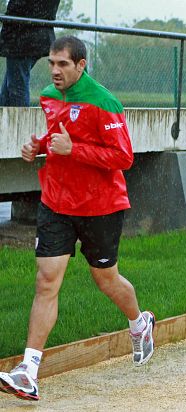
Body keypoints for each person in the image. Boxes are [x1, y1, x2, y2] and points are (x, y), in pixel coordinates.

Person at [0, 36, 153, 402]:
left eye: (63, 64)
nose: (54, 70)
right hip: (56, 202)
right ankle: (28, 370)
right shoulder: (49, 97)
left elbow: (124, 157)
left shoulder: (103, 102)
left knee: (106, 279)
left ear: (81, 65)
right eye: (51, 63)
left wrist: (75, 150)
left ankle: (139, 323)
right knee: (46, 280)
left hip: (101, 207)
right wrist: (39, 145)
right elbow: (59, 134)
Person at [0, 0, 60, 106]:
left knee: (16, 88)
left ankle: (20, 121)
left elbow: (18, 8)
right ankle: (7, 120)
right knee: (10, 87)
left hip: (22, 37)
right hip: (37, 35)